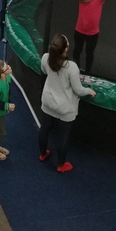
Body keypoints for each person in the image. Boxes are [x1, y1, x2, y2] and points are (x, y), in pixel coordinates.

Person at [38, 33, 96, 173]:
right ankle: (61, 164)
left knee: (44, 128)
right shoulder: (71, 67)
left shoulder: (45, 58)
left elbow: (44, 71)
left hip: (47, 102)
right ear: (65, 50)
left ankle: (42, 154)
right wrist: (89, 91)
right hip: (64, 108)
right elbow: (78, 90)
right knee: (62, 136)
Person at [67, 0, 115, 73]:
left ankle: (88, 72)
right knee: (77, 50)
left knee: (89, 52)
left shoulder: (98, 0)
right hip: (79, 30)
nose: (79, 1)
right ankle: (76, 68)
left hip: (92, 33)